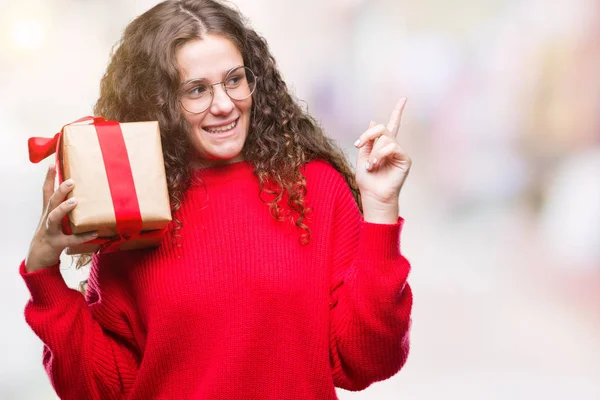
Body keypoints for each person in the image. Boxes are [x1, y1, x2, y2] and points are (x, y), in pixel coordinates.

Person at [20, 0, 413, 399]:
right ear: (160, 102)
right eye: (196, 90)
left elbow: (367, 360)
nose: (224, 105)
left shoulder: (315, 189)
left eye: (234, 80)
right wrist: (44, 276)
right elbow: (102, 389)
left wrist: (380, 210)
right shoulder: (136, 208)